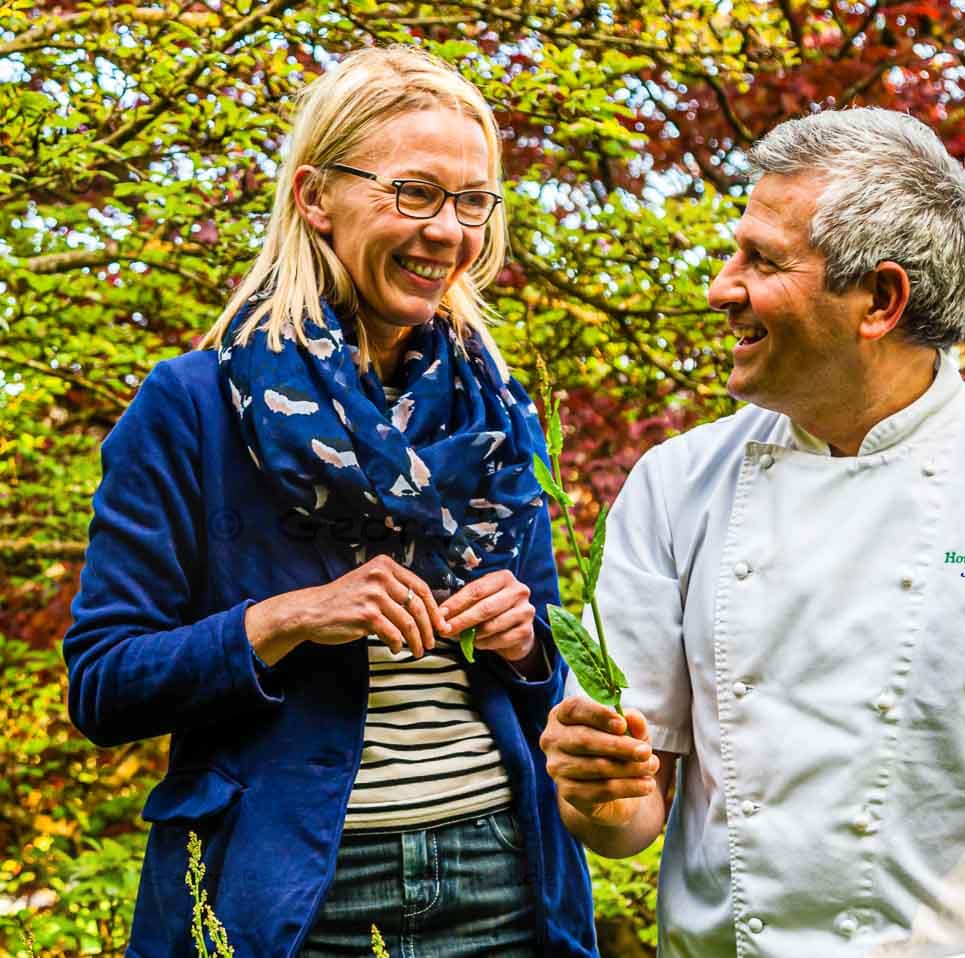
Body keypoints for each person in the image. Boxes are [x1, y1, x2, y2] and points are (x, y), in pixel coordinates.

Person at [540, 108, 965, 957]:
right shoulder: (674, 487)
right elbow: (629, 819)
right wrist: (595, 790)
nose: (720, 287)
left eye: (762, 261)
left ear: (881, 300)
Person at [63, 46, 596, 958]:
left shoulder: (499, 409)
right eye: (415, 193)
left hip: (504, 869)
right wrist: (290, 618)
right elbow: (103, 683)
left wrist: (525, 637)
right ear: (315, 197)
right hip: (289, 894)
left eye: (473, 203)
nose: (450, 233)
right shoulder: (193, 406)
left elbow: (549, 668)